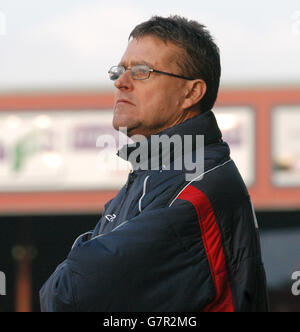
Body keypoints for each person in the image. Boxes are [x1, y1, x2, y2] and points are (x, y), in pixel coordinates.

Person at [39, 15, 269, 312]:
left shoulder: (196, 189)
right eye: (119, 71)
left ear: (191, 92)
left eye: (142, 71)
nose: (121, 83)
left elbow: (68, 293)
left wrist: (83, 252)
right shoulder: (156, 174)